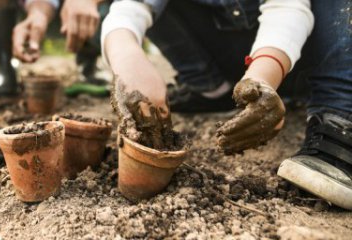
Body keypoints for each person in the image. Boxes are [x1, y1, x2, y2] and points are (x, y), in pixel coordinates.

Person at [102, 0, 352, 209]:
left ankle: (338, 114)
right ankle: (211, 88)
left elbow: (288, 8)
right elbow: (131, 7)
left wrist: (263, 78)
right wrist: (127, 58)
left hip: (297, 57)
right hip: (228, 56)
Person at [0, 0, 110, 98]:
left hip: (97, 10)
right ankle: (5, 66)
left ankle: (88, 60)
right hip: (32, 10)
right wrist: (39, 13)